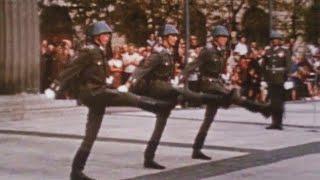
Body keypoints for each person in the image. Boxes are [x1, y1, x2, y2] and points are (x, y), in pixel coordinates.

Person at [45, 21, 172, 180]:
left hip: (99, 94)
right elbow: (70, 69)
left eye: (107, 35)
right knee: (125, 96)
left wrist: (109, 80)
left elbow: (99, 73)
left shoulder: (100, 51)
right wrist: (54, 87)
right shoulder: (88, 51)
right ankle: (156, 106)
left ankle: (76, 171)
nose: (107, 37)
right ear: (95, 36)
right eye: (103, 35)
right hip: (94, 92)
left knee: (91, 135)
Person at [119, 24, 233, 169]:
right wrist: (128, 84)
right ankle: (205, 99)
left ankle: (149, 157)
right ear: (164, 38)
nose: (175, 38)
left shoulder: (168, 52)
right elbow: (142, 68)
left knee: (161, 124)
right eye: (171, 36)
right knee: (182, 94)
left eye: (175, 36)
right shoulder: (158, 53)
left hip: (167, 90)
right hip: (159, 88)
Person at [182, 25, 272, 160]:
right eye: (222, 37)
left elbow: (221, 70)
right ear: (215, 38)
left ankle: (196, 149)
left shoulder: (222, 51)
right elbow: (193, 65)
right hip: (208, 85)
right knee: (233, 96)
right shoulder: (207, 51)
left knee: (208, 119)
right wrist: (182, 78)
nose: (224, 39)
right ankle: (261, 108)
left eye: (225, 37)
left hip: (217, 84)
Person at [262, 30, 292, 130]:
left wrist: (287, 78)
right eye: (273, 39)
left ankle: (279, 123)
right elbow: (264, 66)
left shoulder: (285, 51)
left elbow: (288, 65)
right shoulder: (268, 51)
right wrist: (263, 79)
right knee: (272, 101)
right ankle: (274, 122)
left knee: (279, 102)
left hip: (280, 79)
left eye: (277, 39)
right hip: (271, 79)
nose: (275, 41)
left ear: (280, 41)